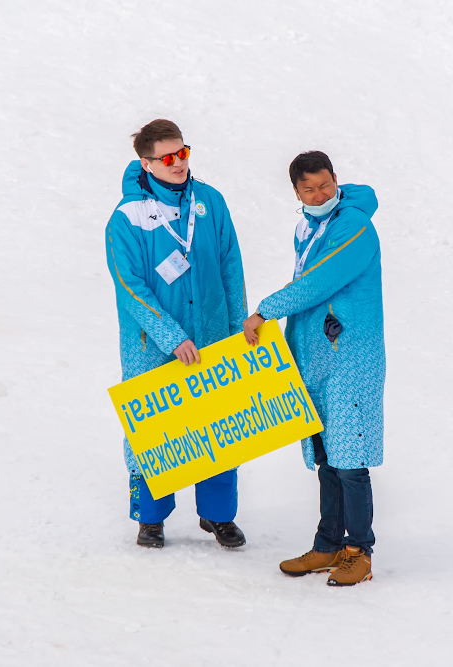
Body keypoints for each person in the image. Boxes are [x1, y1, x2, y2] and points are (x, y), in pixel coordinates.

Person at [243, 151, 384, 586]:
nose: (319, 193)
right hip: (316, 355)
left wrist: (266, 310)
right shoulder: (309, 227)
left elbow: (319, 281)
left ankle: (359, 551)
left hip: (348, 356)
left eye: (325, 185)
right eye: (309, 189)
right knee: (327, 458)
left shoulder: (353, 225)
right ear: (297, 192)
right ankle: (328, 546)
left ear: (336, 179)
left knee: (349, 461)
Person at [105, 119, 248, 549]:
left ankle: (218, 516)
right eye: (167, 158)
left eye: (183, 152)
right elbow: (129, 286)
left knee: (219, 424)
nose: (178, 163)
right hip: (153, 345)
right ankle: (151, 519)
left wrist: (238, 325)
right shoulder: (126, 218)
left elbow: (230, 265)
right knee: (156, 430)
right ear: (146, 163)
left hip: (210, 333)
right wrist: (170, 335)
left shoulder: (210, 201)